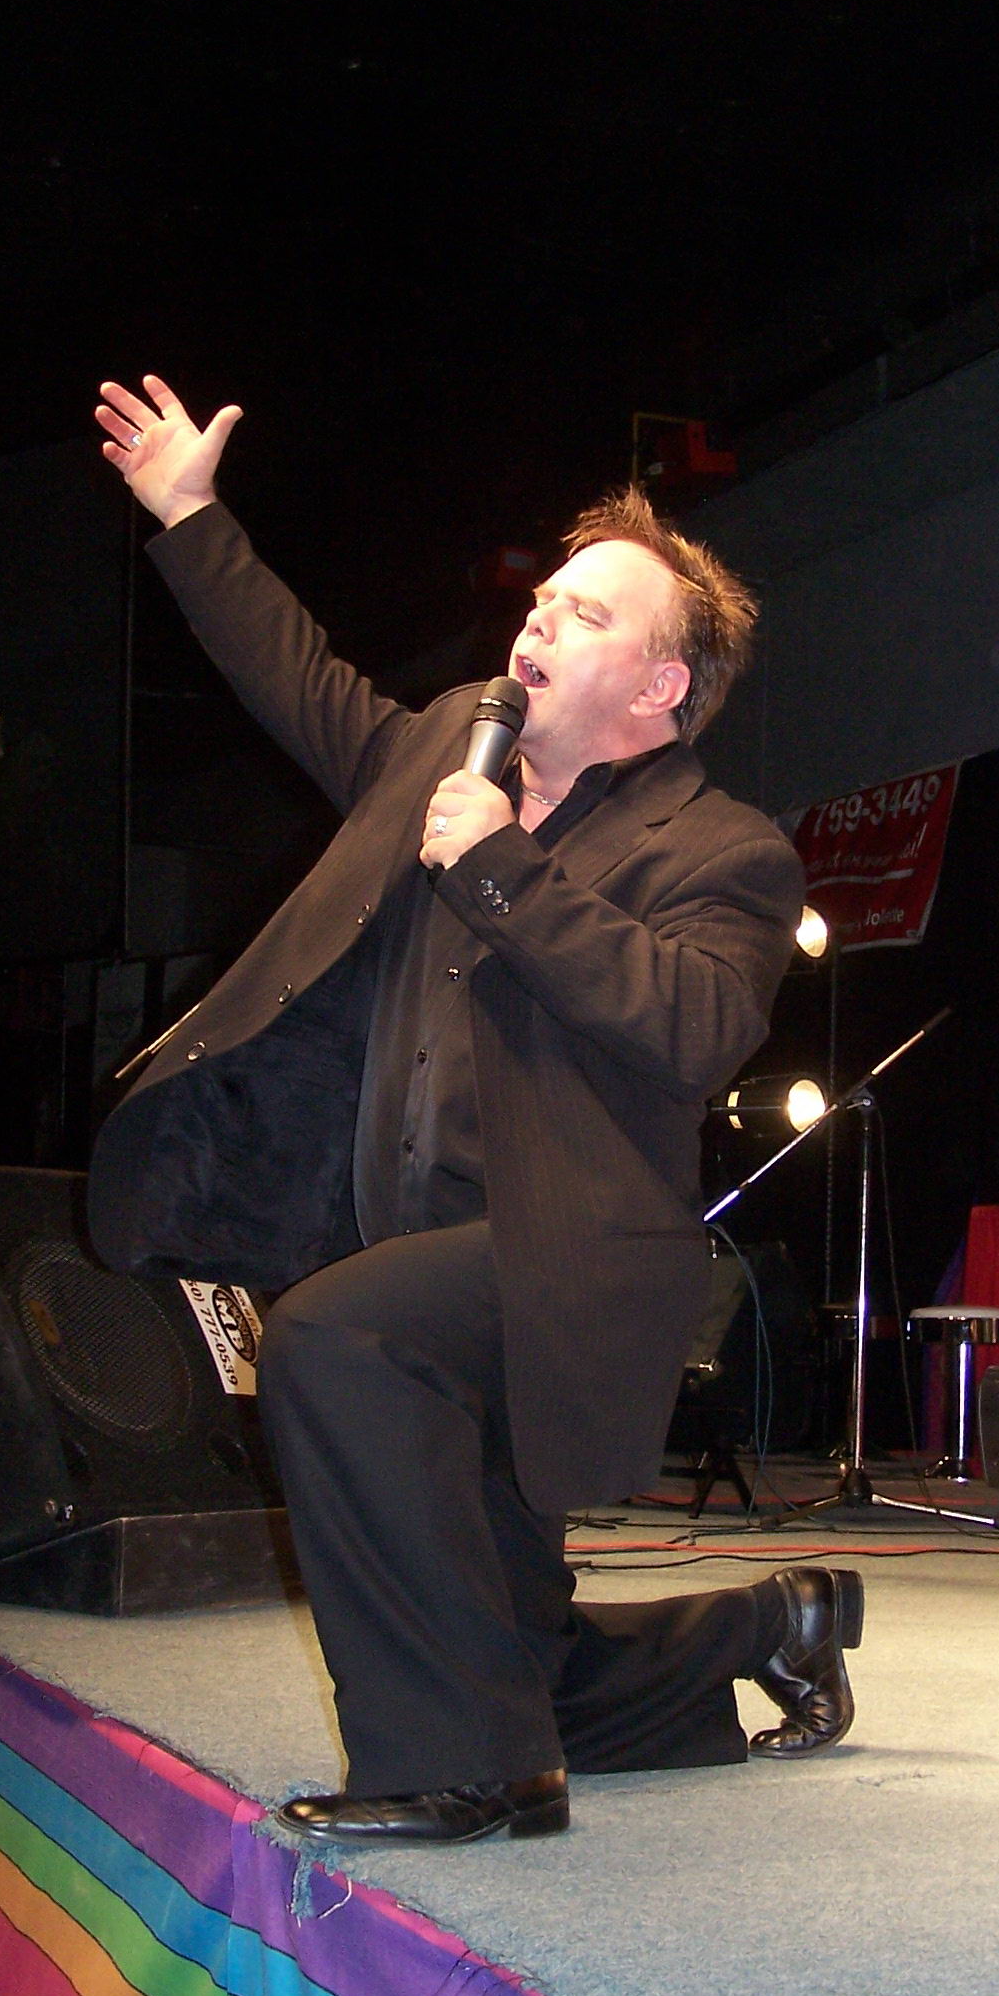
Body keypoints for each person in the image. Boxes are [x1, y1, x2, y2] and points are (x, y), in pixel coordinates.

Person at [86, 372, 865, 1846]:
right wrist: (189, 516)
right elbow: (297, 677)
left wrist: (503, 866)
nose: (539, 621)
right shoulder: (443, 750)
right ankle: (772, 1625)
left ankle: (458, 1771)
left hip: (569, 1263)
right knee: (513, 1651)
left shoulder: (724, 851)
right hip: (407, 1240)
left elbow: (692, 1025)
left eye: (587, 612)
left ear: (660, 688)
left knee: (335, 1340)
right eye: (544, 598)